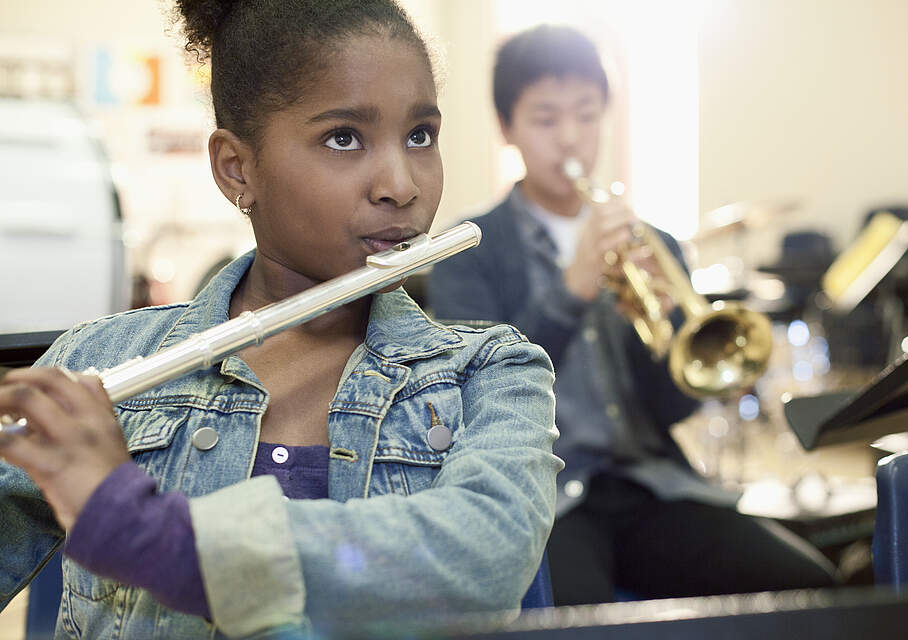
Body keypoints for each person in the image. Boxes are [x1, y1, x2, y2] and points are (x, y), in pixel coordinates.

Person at [0, 2, 562, 638]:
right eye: (344, 137)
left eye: (420, 136)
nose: (401, 185)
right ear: (237, 169)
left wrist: (141, 530)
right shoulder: (99, 362)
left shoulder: (490, 371)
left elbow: (481, 560)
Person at [428, 24, 838, 606]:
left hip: (652, 485)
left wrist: (668, 339)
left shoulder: (655, 244)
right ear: (506, 128)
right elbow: (473, 393)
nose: (570, 138)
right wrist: (572, 289)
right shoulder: (468, 249)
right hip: (543, 496)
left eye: (587, 115)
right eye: (546, 119)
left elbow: (673, 407)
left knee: (812, 587)